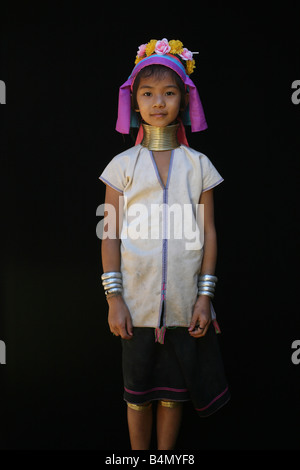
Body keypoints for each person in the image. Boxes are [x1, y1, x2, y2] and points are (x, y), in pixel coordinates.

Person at [99, 38, 230, 450]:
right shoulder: (121, 167)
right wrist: (114, 299)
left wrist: (204, 298)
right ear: (135, 103)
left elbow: (209, 233)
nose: (159, 102)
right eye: (149, 93)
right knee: (137, 396)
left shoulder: (199, 166)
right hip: (135, 307)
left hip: (183, 305)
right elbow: (110, 233)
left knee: (175, 396)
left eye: (170, 93)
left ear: (184, 102)